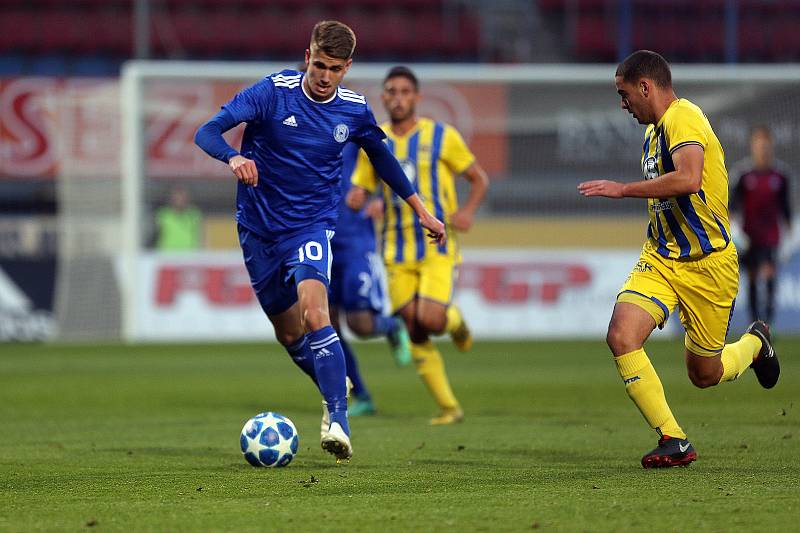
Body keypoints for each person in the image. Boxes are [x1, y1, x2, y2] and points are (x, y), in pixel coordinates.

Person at [194, 21, 446, 462]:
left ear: (347, 67)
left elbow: (383, 160)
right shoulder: (272, 92)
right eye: (318, 64)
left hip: (312, 226)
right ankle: (333, 381)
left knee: (316, 313)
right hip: (258, 228)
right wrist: (233, 155)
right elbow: (207, 131)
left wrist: (421, 209)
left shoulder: (354, 110)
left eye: (334, 68)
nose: (324, 75)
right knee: (289, 331)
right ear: (307, 55)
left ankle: (338, 419)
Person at [578, 50, 780, 468]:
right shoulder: (653, 134)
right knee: (621, 335)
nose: (623, 104)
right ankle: (674, 439)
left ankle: (755, 344)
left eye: (624, 93)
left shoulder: (684, 117)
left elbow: (688, 179)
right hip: (662, 258)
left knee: (704, 374)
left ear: (645, 87)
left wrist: (622, 189)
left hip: (709, 266)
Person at [347, 66, 489, 425]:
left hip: (436, 245)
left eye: (404, 92)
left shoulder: (443, 136)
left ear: (417, 98)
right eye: (391, 92)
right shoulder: (374, 141)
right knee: (413, 327)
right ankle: (448, 407)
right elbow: (362, 188)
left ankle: (455, 323)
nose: (397, 98)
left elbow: (478, 178)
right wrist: (361, 198)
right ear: (383, 97)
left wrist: (468, 211)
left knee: (430, 318)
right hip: (395, 251)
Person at [328, 141, 412, 417]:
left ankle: (391, 326)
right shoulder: (301, 128)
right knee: (327, 330)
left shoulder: (353, 129)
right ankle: (361, 395)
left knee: (360, 324)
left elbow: (393, 162)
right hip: (320, 243)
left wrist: (381, 198)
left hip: (355, 243)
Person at [731, 126, 793, 324]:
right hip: (749, 238)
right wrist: (736, 232)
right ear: (753, 147)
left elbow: (786, 210)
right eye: (759, 145)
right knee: (751, 278)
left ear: (771, 146)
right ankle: (754, 323)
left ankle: (768, 323)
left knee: (768, 275)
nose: (763, 149)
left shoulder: (781, 176)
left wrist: (789, 239)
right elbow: (732, 208)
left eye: (766, 145)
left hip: (771, 237)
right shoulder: (743, 175)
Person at [154, 186, 203, 250]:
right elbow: (155, 235)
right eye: (176, 197)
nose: (179, 200)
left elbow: (201, 235)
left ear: (188, 198)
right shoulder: (163, 214)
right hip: (167, 255)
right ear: (171, 199)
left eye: (182, 197)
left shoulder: (195, 214)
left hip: (190, 256)